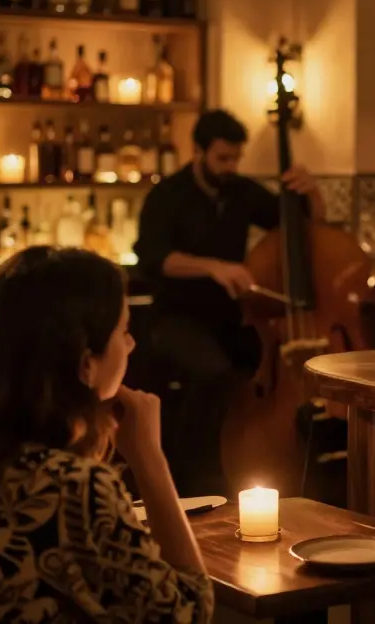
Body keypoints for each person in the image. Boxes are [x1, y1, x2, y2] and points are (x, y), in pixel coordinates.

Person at [0, 247, 212, 623]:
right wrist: (150, 458)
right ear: (86, 364)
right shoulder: (73, 487)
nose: (132, 345)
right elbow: (190, 611)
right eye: (123, 331)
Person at [133, 109, 322, 495]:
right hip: (177, 316)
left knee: (271, 370)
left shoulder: (239, 190)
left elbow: (300, 222)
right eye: (222, 158)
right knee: (212, 372)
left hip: (232, 318)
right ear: (198, 151)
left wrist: (312, 191)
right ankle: (191, 476)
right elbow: (154, 258)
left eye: (236, 158)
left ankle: (261, 464)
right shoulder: (167, 196)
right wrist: (213, 267)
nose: (230, 166)